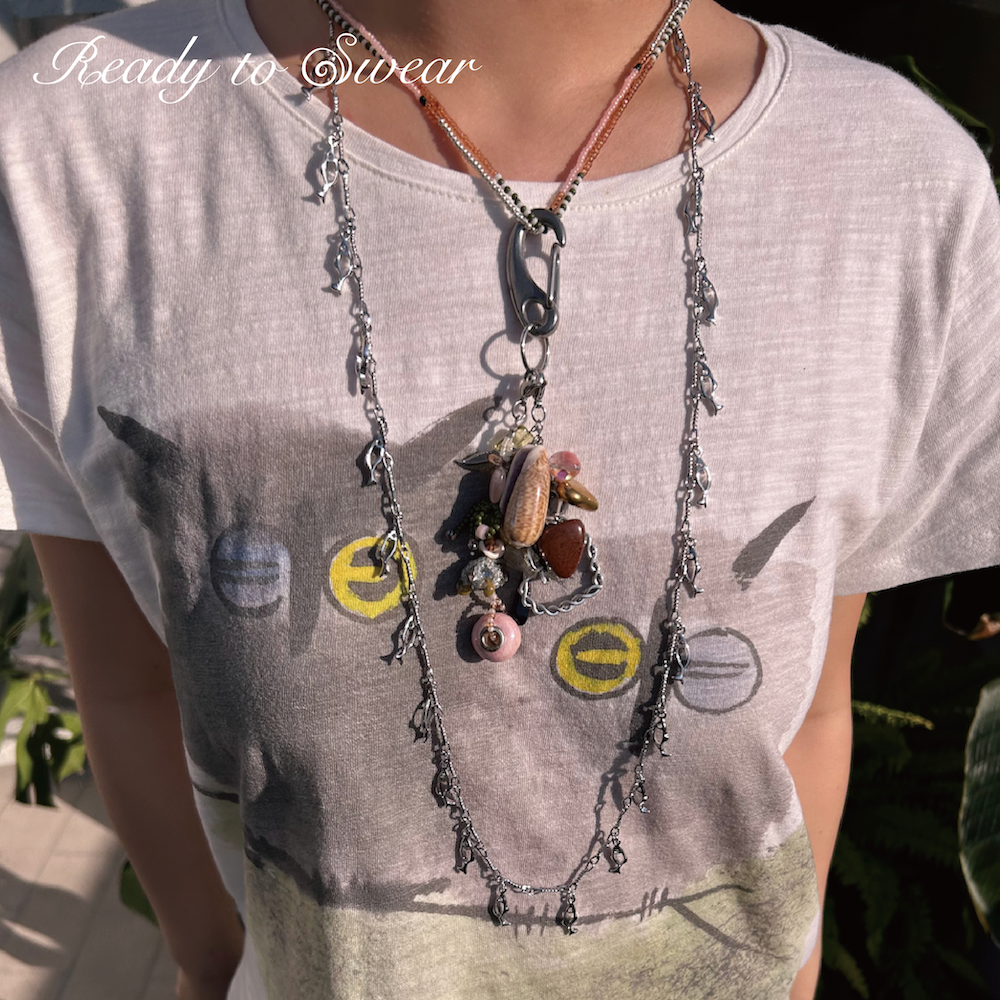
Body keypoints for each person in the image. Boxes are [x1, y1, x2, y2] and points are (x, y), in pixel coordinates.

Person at [0, 0, 997, 997]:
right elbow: (127, 687)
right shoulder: (70, 146)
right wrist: (211, 963)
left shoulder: (900, 185)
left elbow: (812, 709)